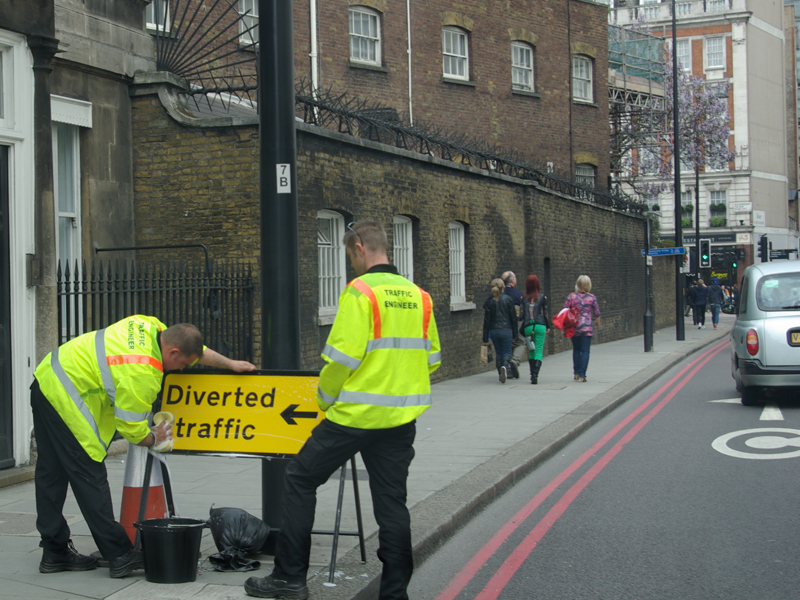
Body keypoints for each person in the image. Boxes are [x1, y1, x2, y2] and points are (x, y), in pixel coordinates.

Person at [244, 220, 440, 600]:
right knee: (391, 503)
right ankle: (395, 593)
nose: (351, 261)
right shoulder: (421, 297)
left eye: (350, 253)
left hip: (354, 417)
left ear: (361, 248)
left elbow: (340, 360)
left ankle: (289, 578)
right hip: (400, 421)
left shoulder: (360, 292)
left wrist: (325, 399)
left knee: (300, 478)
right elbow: (431, 360)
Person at [31, 316, 256, 578]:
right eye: (182, 363)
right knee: (88, 475)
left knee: (51, 474)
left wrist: (229, 364)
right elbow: (131, 430)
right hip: (65, 397)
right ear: (172, 352)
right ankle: (120, 555)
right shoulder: (143, 373)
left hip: (47, 377)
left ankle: (54, 551)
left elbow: (193, 349)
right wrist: (157, 438)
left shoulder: (151, 326)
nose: (182, 370)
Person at [564, 275, 601, 383]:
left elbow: (565, 309)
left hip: (574, 326)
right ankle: (582, 375)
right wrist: (597, 321)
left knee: (576, 349)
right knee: (585, 350)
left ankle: (576, 372)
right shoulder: (592, 297)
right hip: (587, 327)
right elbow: (597, 313)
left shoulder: (571, 296)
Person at [483, 278, 519, 384]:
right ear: (503, 287)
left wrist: (485, 335)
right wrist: (515, 334)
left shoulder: (489, 301)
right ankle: (504, 366)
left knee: (498, 352)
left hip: (494, 331)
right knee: (507, 351)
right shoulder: (508, 299)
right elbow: (513, 318)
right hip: (506, 330)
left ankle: (500, 372)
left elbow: (486, 320)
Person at [519, 274, 549, 384]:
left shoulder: (523, 298)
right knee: (538, 350)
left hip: (528, 327)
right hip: (540, 325)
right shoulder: (542, 297)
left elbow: (521, 315)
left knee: (531, 349)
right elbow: (545, 313)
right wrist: (548, 326)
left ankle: (532, 374)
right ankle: (536, 374)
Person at [502, 271, 524, 379]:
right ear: (512, 281)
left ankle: (506, 369)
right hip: (516, 323)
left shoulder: (497, 294)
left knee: (507, 346)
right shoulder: (518, 295)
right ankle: (514, 361)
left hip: (502, 324)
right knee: (520, 342)